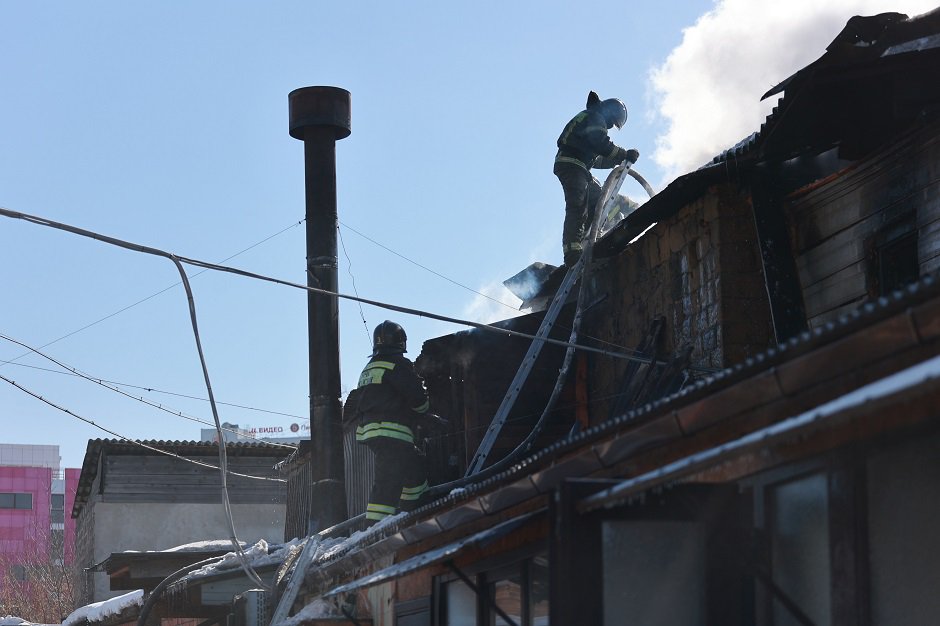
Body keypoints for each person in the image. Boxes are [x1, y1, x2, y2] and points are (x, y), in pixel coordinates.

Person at [348, 320, 442, 524]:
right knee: (387, 483)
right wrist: (426, 412)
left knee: (414, 471)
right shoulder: (398, 364)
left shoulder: (368, 368)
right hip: (392, 433)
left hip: (372, 432)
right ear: (401, 342)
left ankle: (414, 515)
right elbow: (417, 400)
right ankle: (373, 530)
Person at [554, 91, 640, 266]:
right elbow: (601, 144)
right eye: (612, 123)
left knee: (599, 199)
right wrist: (624, 154)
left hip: (579, 166)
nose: (610, 127)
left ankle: (587, 239)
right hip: (572, 165)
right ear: (609, 112)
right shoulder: (595, 117)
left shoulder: (590, 118)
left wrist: (619, 160)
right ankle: (572, 252)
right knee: (578, 205)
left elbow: (597, 159)